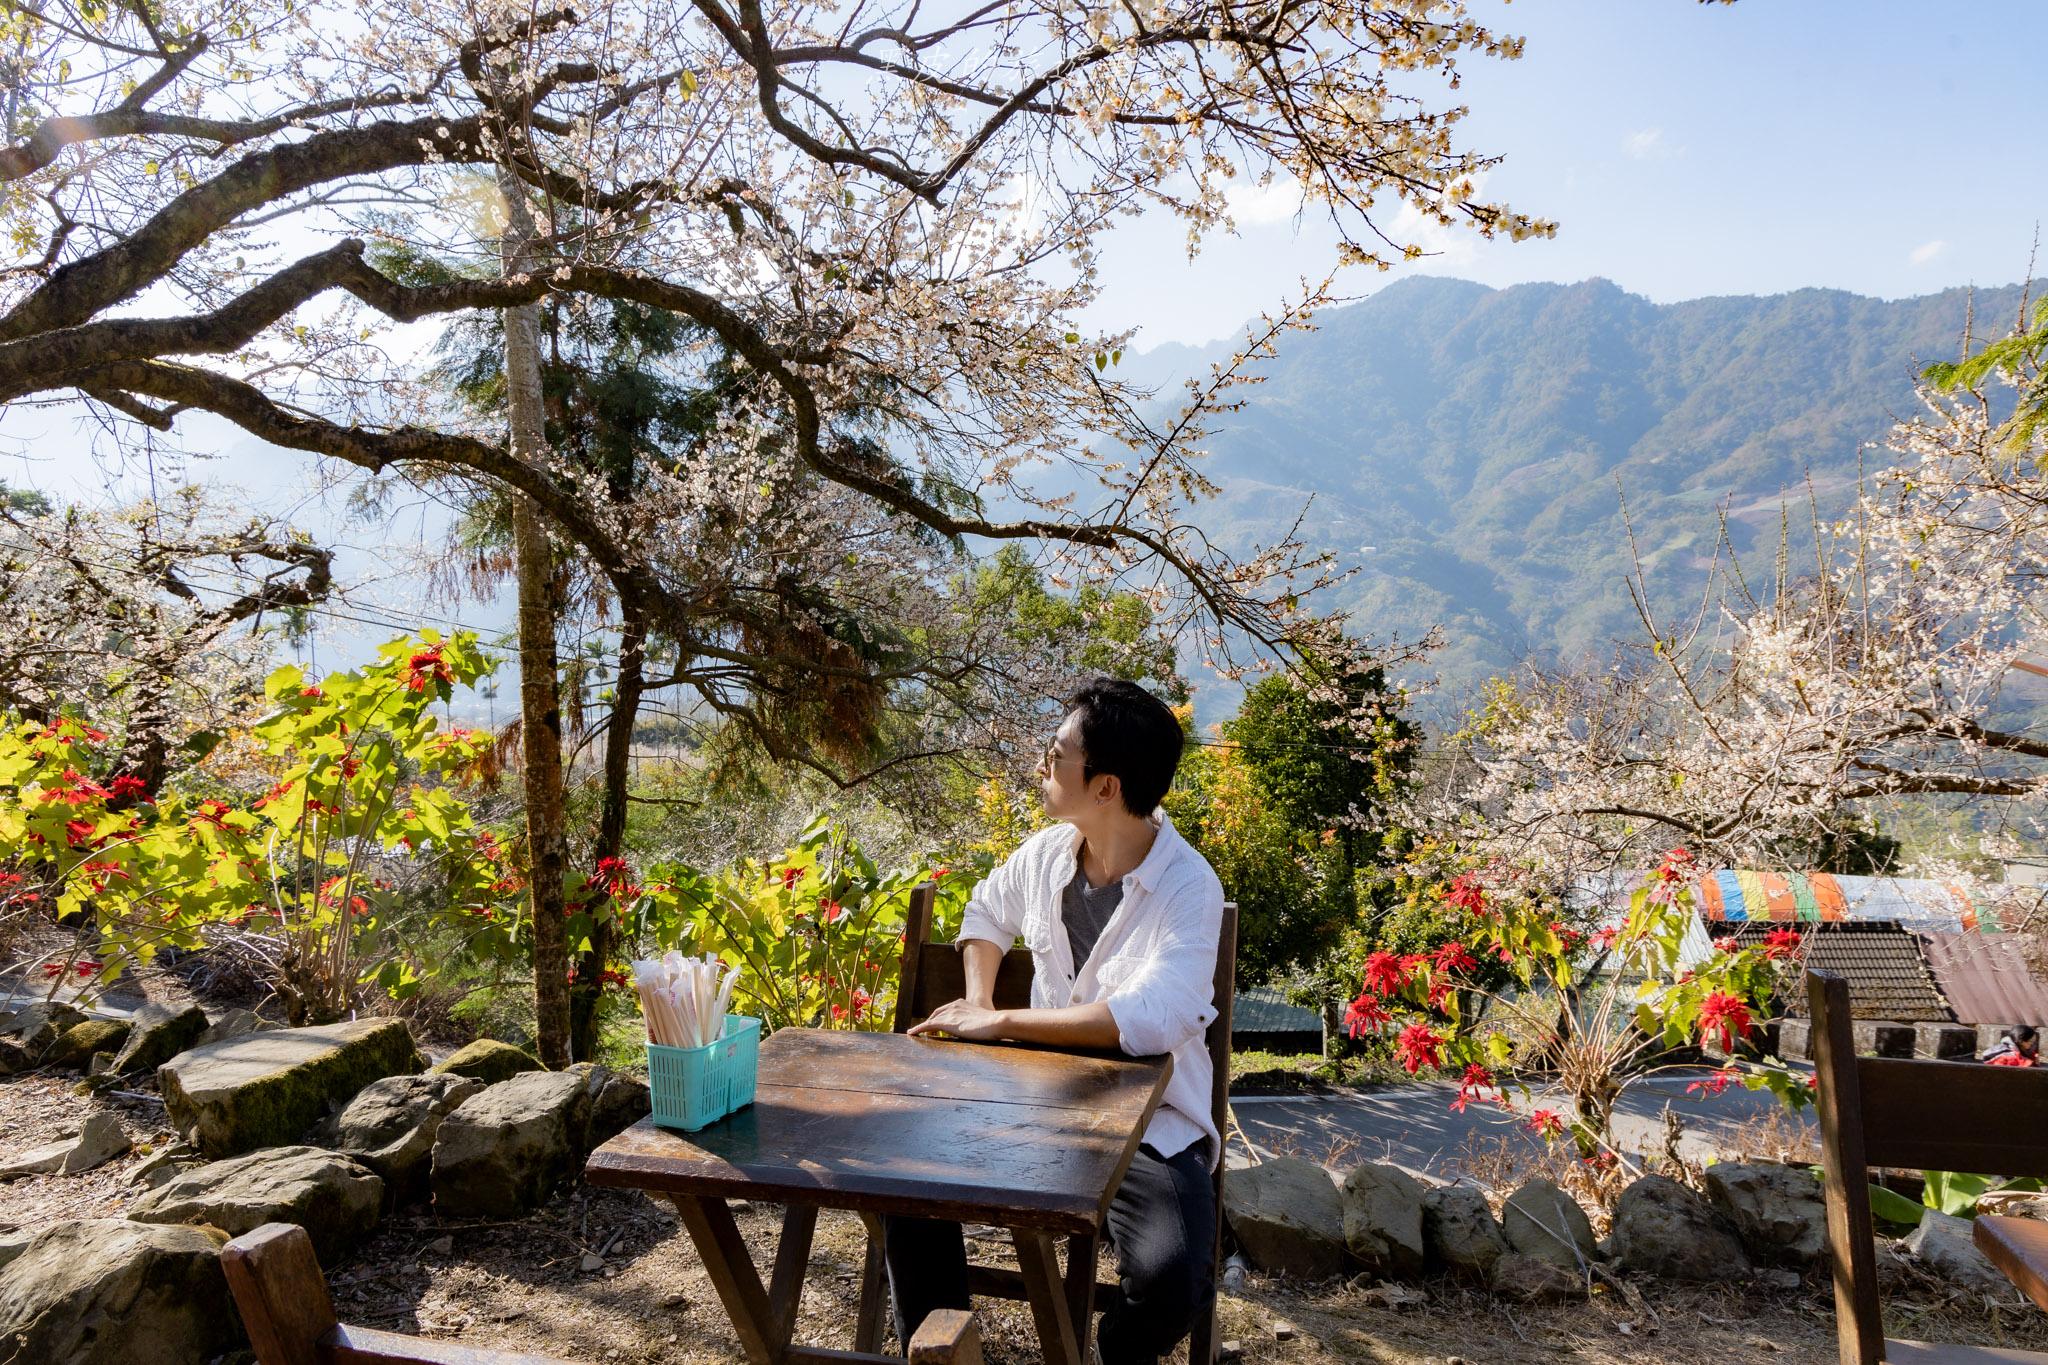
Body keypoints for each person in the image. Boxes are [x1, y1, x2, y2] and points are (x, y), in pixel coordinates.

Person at [887, 678, 1224, 1365]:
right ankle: (947, 1351)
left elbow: (1155, 1017)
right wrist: (981, 1001)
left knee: (1175, 1280)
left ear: (1106, 787)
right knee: (905, 1187)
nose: (1041, 764)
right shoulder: (1046, 854)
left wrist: (1004, 1022)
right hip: (1032, 1102)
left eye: (1056, 753)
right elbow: (985, 912)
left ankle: (1111, 1354)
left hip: (1150, 1127)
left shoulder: (1190, 886)